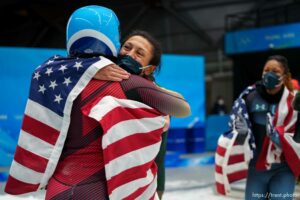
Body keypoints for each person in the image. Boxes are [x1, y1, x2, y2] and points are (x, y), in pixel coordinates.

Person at [5, 5, 190, 200]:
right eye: (127, 47)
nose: (129, 54)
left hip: (57, 189)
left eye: (139, 53)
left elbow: (45, 70)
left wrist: (89, 68)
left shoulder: (56, 76)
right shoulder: (132, 85)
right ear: (115, 42)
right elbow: (182, 109)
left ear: (149, 68)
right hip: (99, 190)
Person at [215, 55, 300, 199]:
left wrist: (280, 138)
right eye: (266, 70)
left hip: (283, 169)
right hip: (256, 169)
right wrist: (239, 132)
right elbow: (239, 133)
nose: (269, 74)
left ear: (285, 76)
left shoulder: (295, 101)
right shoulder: (249, 97)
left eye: (275, 71)